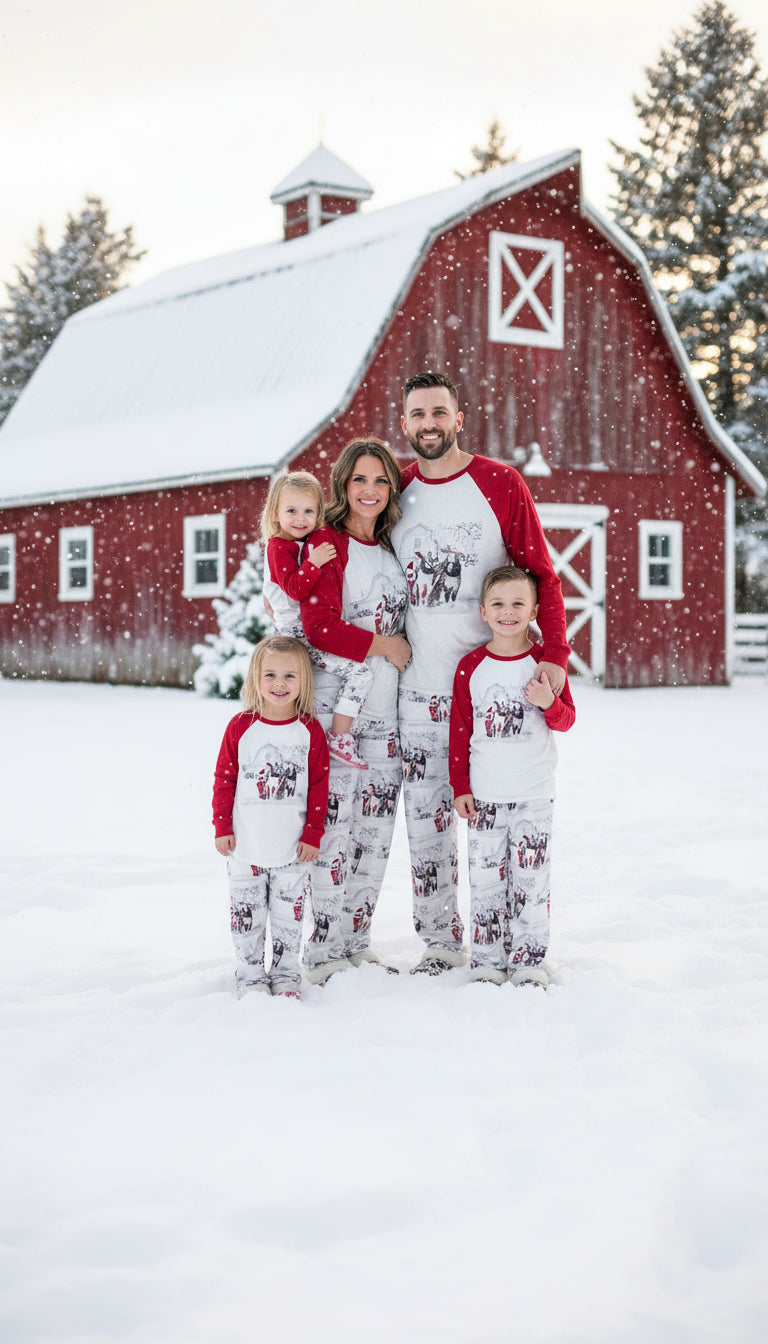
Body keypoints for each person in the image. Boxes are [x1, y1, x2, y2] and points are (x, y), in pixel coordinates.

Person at [391, 371, 570, 975]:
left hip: (492, 689)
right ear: (405, 423)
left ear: (459, 417)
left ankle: (519, 943)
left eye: (439, 412)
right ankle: (441, 943)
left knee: (504, 830)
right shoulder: (396, 490)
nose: (429, 425)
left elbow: (541, 574)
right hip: (416, 693)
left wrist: (553, 659)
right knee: (427, 828)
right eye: (418, 415)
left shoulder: (499, 483)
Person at [299, 438, 411, 983]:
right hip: (336, 711)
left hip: (385, 712)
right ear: (343, 485)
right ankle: (321, 952)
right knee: (335, 831)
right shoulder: (328, 544)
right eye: (359, 480)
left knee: (374, 833)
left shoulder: (391, 551)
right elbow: (317, 627)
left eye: (380, 481)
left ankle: (356, 942)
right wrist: (383, 645)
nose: (369, 490)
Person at [449, 565, 575, 987]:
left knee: (531, 881)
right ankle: (486, 958)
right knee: (485, 881)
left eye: (518, 604)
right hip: (485, 796)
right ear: (483, 612)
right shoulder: (471, 667)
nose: (508, 612)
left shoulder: (545, 664)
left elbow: (566, 721)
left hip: (534, 795)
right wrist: (461, 788)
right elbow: (460, 733)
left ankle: (528, 961)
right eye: (499, 604)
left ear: (535, 610)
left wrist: (547, 702)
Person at [212, 635, 330, 999]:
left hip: (292, 848)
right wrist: (221, 826)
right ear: (256, 677)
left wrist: (312, 834)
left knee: (287, 916)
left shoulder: (309, 730)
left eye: (290, 676)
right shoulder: (240, 727)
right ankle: (249, 973)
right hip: (245, 844)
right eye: (271, 675)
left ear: (304, 681)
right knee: (247, 914)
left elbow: (319, 786)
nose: (279, 684)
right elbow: (224, 779)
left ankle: (285, 973)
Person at [261, 470, 374, 770]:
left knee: (309, 695)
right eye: (291, 511)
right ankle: (339, 736)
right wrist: (314, 563)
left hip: (307, 633)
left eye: (309, 511)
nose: (301, 518)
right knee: (360, 674)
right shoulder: (277, 547)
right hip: (299, 637)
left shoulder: (303, 542)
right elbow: (295, 589)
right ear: (275, 514)